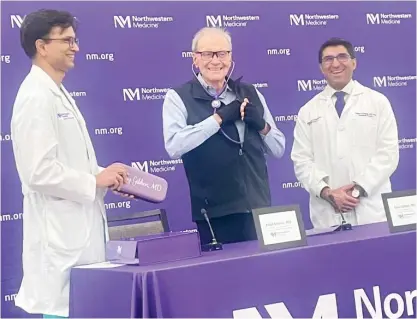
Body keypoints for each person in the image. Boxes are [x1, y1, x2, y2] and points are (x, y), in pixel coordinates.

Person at [10, 9, 130, 318]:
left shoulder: (56, 92)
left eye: (75, 40)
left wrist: (105, 175)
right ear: (42, 46)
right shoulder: (36, 96)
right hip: (59, 249)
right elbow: (38, 171)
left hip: (80, 244)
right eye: (67, 40)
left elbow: (70, 161)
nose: (75, 47)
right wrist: (93, 182)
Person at [162, 27, 285, 245]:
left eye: (222, 53)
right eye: (208, 54)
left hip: (259, 208)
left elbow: (278, 148)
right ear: (195, 59)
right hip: (215, 213)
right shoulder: (178, 97)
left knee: (266, 275)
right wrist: (218, 119)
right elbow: (174, 145)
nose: (216, 61)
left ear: (230, 57)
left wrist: (261, 125)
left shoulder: (251, 92)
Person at [291, 37, 399, 229]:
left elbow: (388, 154)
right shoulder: (307, 111)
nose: (335, 64)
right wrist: (327, 192)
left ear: (354, 62)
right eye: (328, 59)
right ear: (321, 68)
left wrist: (357, 190)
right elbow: (302, 161)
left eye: (342, 57)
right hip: (328, 213)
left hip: (372, 211)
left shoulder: (378, 102)